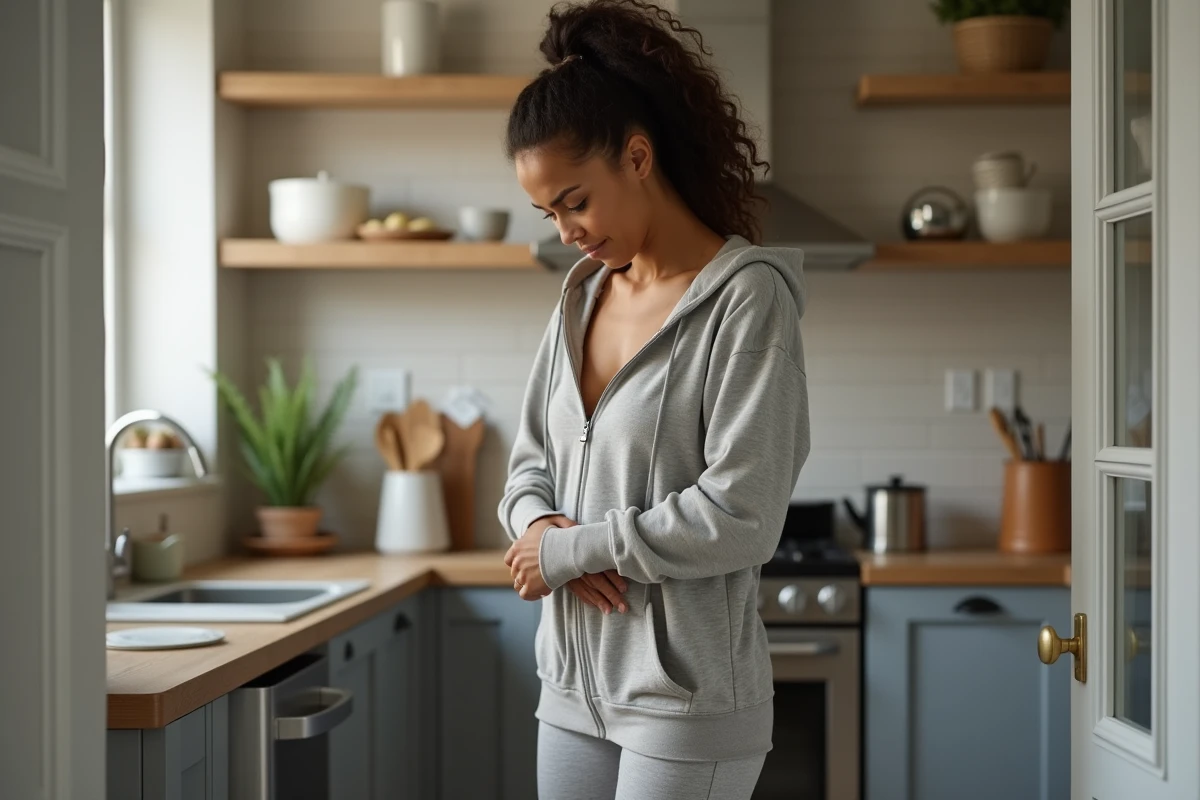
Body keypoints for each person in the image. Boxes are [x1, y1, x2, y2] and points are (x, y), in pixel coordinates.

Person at [499, 1, 810, 797]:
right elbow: (528, 464)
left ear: (637, 156)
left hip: (685, 703)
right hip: (570, 688)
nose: (565, 230)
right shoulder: (580, 298)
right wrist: (539, 528)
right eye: (548, 212)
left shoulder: (747, 300)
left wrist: (576, 550)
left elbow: (742, 512)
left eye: (575, 200)